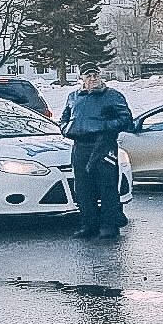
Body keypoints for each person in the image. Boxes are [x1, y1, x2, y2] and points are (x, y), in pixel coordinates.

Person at [59, 64, 134, 239]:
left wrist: (103, 127)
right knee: (84, 189)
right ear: (82, 79)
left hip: (103, 145)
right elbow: (64, 118)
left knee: (107, 186)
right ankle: (89, 225)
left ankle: (109, 225)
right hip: (80, 146)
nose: (93, 79)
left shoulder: (112, 96)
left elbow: (126, 119)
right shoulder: (73, 97)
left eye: (95, 75)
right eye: (88, 76)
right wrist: (67, 129)